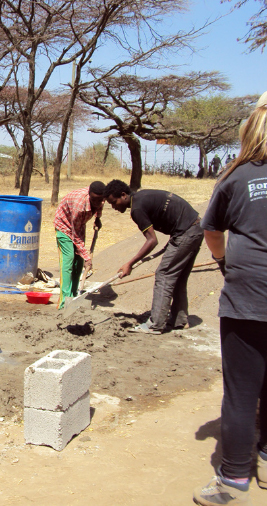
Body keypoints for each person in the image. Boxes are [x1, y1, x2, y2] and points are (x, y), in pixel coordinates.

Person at [193, 91, 267, 505]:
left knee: (241, 393)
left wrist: (224, 263)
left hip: (249, 295)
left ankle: (235, 478)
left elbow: (212, 232)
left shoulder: (237, 178)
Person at [103, 180, 204, 334]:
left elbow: (152, 241)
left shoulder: (137, 209)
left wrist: (130, 263)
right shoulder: (142, 197)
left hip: (186, 232)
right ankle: (179, 320)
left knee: (164, 274)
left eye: (114, 202)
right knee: (177, 277)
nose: (114, 207)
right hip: (196, 227)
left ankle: (155, 324)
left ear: (123, 195)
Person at [53, 181, 105, 309]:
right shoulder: (79, 205)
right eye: (95, 200)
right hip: (64, 226)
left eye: (100, 200)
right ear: (89, 195)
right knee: (69, 259)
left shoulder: (101, 198)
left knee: (79, 263)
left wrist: (97, 218)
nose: (97, 203)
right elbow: (75, 235)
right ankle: (64, 302)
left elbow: (99, 207)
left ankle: (74, 294)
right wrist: (88, 257)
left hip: (79, 226)